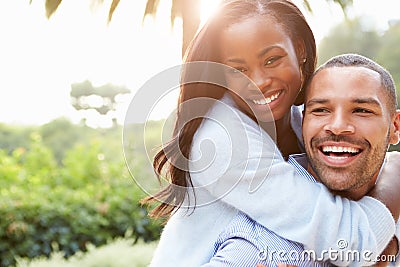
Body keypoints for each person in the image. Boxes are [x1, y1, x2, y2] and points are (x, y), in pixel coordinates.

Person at [141, 1, 400, 266]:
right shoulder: (222, 139)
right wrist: (396, 177)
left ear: (299, 49)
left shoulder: (305, 122)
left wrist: (387, 245)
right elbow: (351, 241)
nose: (258, 81)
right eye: (238, 70)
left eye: (271, 60)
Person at [201, 54, 400, 266]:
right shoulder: (259, 245)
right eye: (321, 110)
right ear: (304, 121)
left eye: (362, 110)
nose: (338, 125)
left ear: (395, 127)